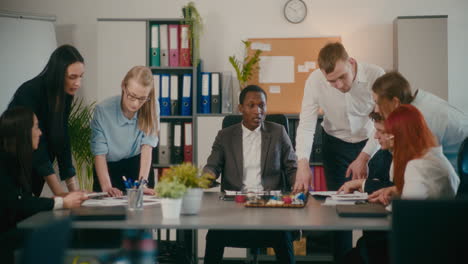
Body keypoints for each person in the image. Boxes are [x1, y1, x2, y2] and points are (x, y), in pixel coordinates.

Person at [294, 42, 385, 262]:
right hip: (335, 144)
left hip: (372, 142)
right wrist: (303, 164)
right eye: (331, 81)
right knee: (338, 210)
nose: (338, 85)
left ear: (351, 63)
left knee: (374, 204)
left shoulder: (376, 75)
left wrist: (364, 156)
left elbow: (383, 121)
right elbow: (306, 124)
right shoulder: (315, 81)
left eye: (342, 77)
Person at [339, 105, 459, 264]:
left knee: (355, 255)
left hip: (419, 249)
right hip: (431, 242)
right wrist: (397, 191)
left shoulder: (417, 166)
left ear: (398, 135)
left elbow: (405, 219)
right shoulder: (430, 158)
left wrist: (394, 201)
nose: (376, 136)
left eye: (381, 131)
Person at [203, 85, 297, 264]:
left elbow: (292, 167)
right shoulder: (225, 136)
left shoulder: (278, 132)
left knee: (284, 234)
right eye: (251, 105)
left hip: (270, 204)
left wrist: (299, 184)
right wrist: (206, 177)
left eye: (262, 105)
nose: (258, 111)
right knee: (214, 234)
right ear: (241, 108)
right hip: (235, 205)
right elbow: (212, 166)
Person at [0, 107, 87, 263]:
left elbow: (23, 200)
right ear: (23, 132)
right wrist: (60, 202)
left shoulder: (18, 159)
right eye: (36, 127)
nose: (40, 133)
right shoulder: (4, 163)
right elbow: (18, 202)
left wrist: (58, 201)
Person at [8, 44, 85, 197]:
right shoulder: (30, 92)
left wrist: (74, 191)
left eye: (81, 76)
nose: (78, 83)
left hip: (36, 170)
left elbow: (62, 137)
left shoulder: (65, 94)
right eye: (72, 77)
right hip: (14, 165)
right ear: (58, 74)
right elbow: (38, 145)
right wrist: (59, 193)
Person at [370, 71, 468, 172]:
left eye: (378, 103)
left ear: (395, 102)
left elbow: (421, 173)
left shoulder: (420, 119)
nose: (376, 110)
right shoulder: (421, 101)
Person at [91, 66, 159, 197]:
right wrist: (107, 187)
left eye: (142, 99)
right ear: (123, 86)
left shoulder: (152, 106)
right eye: (132, 96)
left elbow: (147, 147)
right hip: (108, 169)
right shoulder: (103, 110)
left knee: (141, 213)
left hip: (138, 166)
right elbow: (99, 154)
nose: (135, 104)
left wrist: (142, 183)